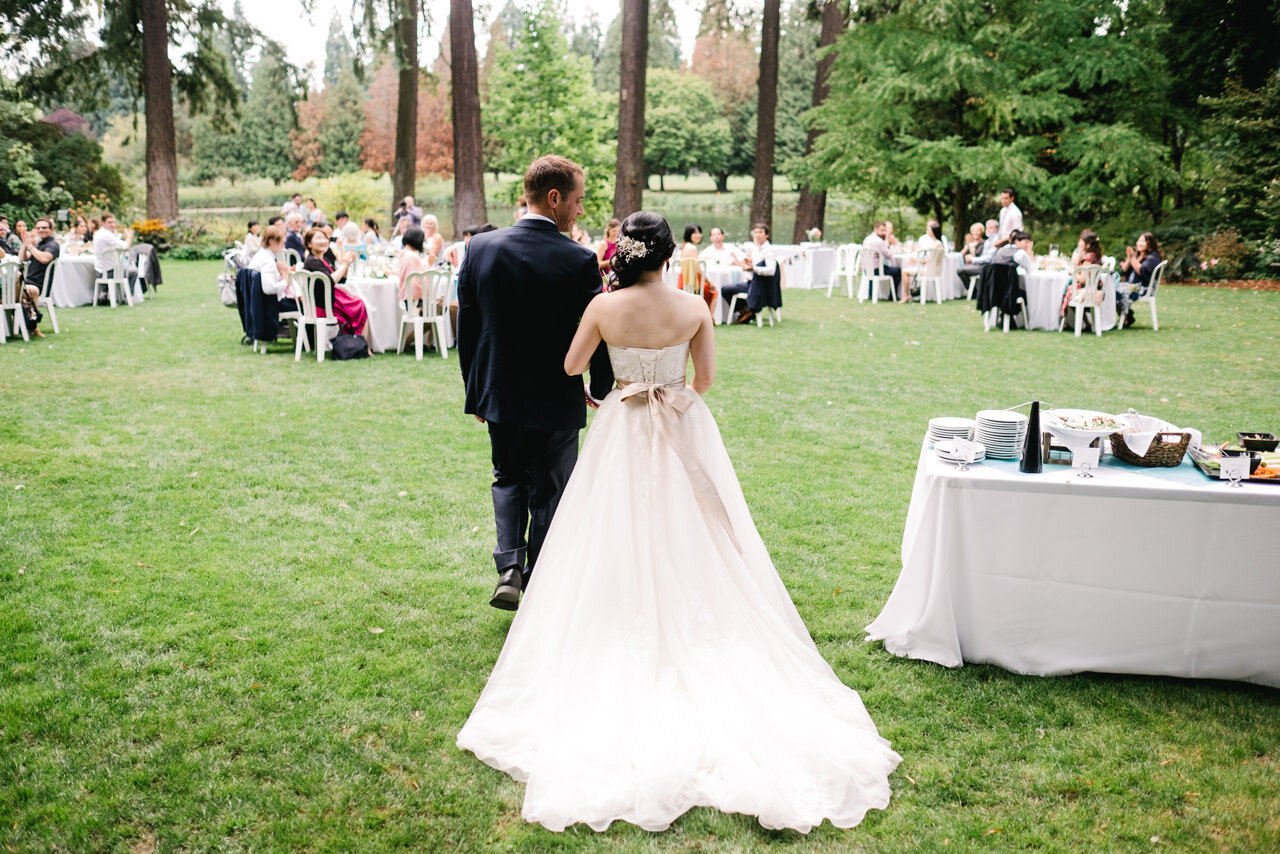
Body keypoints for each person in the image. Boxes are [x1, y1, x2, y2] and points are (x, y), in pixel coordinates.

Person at [456, 210, 902, 834]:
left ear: (625, 255)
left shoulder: (603, 308)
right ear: (668, 256)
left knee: (609, 525)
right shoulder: (694, 307)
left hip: (623, 426)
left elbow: (570, 368)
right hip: (681, 424)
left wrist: (620, 382)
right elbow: (708, 379)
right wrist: (670, 387)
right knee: (690, 529)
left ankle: (617, 608)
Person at [456, 154, 613, 611]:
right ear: (553, 197)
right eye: (578, 201)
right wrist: (600, 389)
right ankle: (540, 576)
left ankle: (510, 566)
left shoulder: (480, 249)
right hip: (555, 395)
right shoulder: (580, 259)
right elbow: (597, 334)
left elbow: (467, 328)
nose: (580, 211)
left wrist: (477, 389)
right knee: (551, 486)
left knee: (507, 477)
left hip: (499, 393)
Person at [301, 228, 370, 343]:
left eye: (325, 238)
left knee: (358, 302)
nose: (323, 241)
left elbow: (341, 280)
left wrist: (346, 264)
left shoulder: (324, 260)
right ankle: (362, 345)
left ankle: (359, 344)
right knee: (359, 305)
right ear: (309, 244)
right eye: (319, 238)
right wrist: (345, 264)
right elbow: (330, 281)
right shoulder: (312, 262)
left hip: (328, 300)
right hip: (322, 306)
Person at [724, 221, 781, 323]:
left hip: (761, 286)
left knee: (725, 289)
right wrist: (743, 263)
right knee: (727, 288)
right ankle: (745, 310)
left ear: (767, 235)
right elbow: (752, 266)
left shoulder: (768, 251)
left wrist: (753, 269)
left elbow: (771, 271)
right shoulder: (755, 249)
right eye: (755, 232)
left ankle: (747, 310)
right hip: (753, 282)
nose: (757, 235)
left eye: (760, 232)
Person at [16, 217, 59, 336]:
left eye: (44, 227)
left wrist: (31, 247)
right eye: (38, 228)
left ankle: (30, 325)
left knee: (9, 289)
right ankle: (26, 325)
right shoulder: (39, 244)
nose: (41, 230)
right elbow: (21, 258)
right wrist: (25, 244)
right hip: (28, 282)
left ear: (51, 229)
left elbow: (44, 259)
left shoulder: (52, 245)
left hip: (37, 285)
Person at [1059, 229, 1104, 325]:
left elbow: (1083, 279)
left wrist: (1072, 272)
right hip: (1095, 289)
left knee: (1064, 292)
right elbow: (1076, 266)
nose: (1079, 242)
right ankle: (1087, 323)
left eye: (1081, 241)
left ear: (1087, 245)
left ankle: (1063, 321)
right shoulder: (1095, 255)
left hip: (1087, 291)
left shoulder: (1088, 258)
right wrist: (1079, 253)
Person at [1116, 232, 1161, 327]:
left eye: (1143, 241)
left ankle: (1126, 315)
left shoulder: (1153, 257)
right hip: (1131, 285)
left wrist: (1132, 258)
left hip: (1142, 287)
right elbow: (1124, 270)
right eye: (1139, 241)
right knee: (1111, 289)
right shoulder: (1137, 256)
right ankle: (1126, 315)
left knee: (1116, 291)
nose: (1140, 243)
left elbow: (1141, 271)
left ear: (1150, 243)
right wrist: (1129, 258)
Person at [249, 224, 297, 311]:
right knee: (307, 306)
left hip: (260, 302)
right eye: (281, 243)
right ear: (271, 241)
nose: (283, 246)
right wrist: (286, 280)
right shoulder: (267, 261)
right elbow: (269, 289)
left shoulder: (262, 255)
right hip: (270, 304)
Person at [92, 213, 136, 300]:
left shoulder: (99, 233)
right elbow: (126, 246)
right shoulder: (107, 235)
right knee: (133, 271)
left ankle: (104, 293)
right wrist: (129, 237)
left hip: (99, 270)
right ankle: (127, 297)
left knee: (114, 266)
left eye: (113, 222)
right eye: (109, 222)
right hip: (109, 272)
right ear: (103, 223)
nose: (113, 225)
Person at [861, 221, 905, 302]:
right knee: (897, 271)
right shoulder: (878, 241)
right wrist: (893, 245)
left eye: (885, 230)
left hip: (867, 270)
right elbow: (889, 255)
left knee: (881, 268)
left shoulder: (867, 238)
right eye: (882, 230)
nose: (884, 233)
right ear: (875, 229)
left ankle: (871, 294)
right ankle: (892, 296)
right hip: (877, 270)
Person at [678, 223, 717, 313]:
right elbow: (697, 269)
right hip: (692, 281)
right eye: (694, 233)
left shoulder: (685, 246)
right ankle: (710, 318)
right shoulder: (692, 248)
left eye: (699, 233)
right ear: (689, 235)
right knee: (714, 292)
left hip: (684, 280)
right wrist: (709, 282)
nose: (698, 235)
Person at [396, 226, 430, 301]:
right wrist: (429, 264)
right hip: (414, 300)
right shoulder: (412, 257)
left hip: (406, 296)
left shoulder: (402, 254)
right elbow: (417, 280)